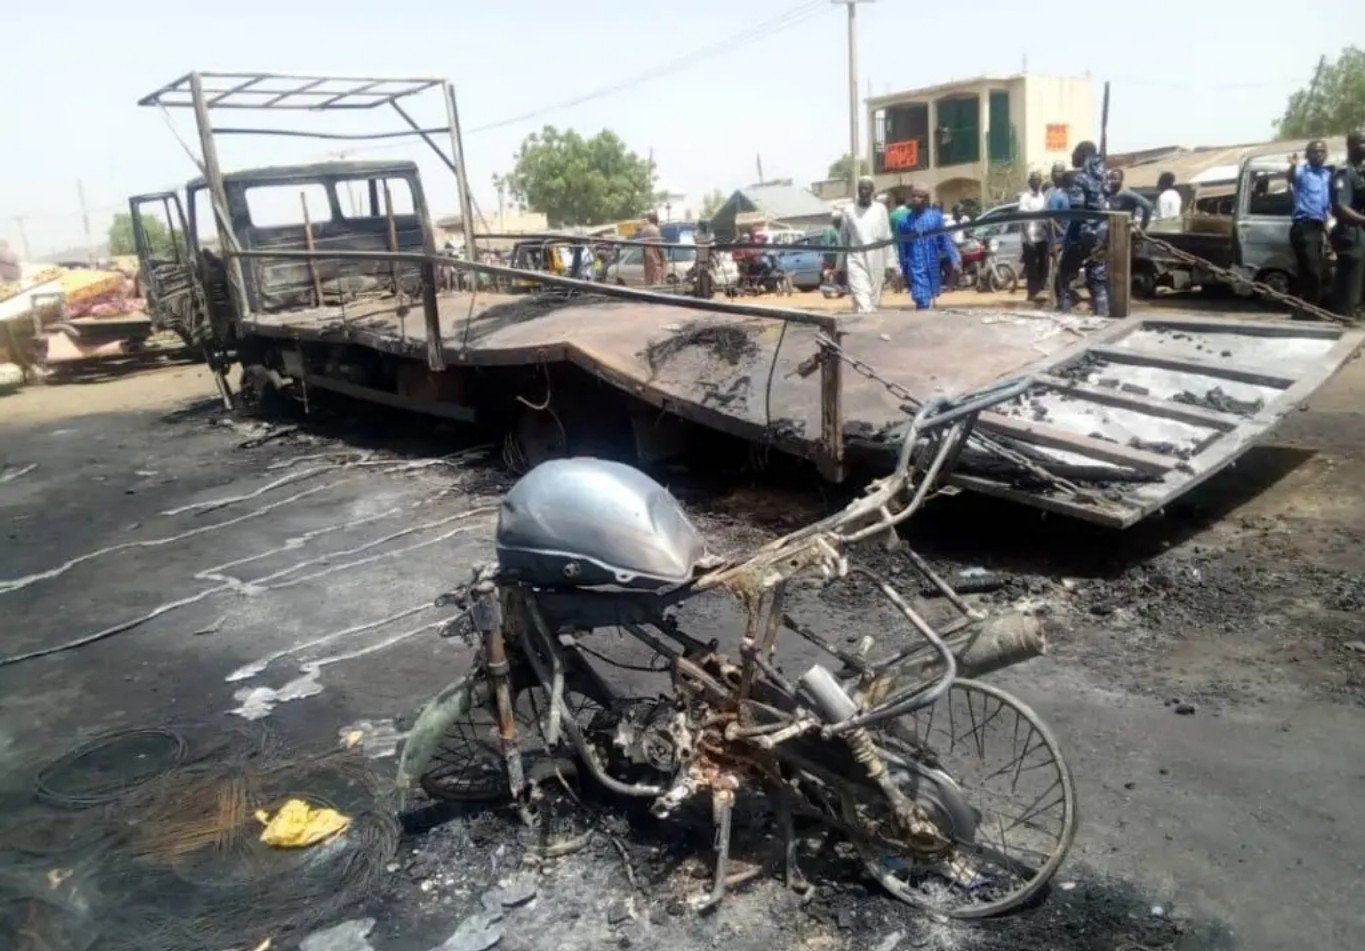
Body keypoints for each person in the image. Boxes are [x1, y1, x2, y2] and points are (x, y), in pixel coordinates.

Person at [1057, 140, 1109, 316]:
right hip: (1101, 235)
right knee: (1097, 280)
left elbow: (1077, 208)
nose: (1072, 156)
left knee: (1064, 278)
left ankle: (1064, 316)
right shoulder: (1102, 179)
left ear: (1082, 154)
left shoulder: (1079, 179)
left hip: (1081, 234)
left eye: (1075, 153)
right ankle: (1102, 320)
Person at [1287, 140, 1334, 311]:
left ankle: (1306, 306)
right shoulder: (1301, 172)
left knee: (1316, 268)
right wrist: (1292, 166)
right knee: (1311, 268)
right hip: (1304, 225)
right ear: (1308, 155)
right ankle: (1311, 306)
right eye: (1315, 152)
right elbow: (1291, 177)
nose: (1319, 155)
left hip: (1319, 226)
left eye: (1322, 151)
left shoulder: (1327, 175)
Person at [896, 187, 959, 310]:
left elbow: (944, 239)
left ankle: (923, 322)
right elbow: (901, 246)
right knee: (921, 296)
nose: (915, 199)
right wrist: (902, 265)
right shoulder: (904, 221)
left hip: (932, 262)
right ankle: (923, 319)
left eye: (919, 196)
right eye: (913, 196)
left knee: (927, 295)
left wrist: (953, 259)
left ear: (925, 199)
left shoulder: (935, 217)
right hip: (915, 263)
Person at [839, 176, 893, 312]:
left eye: (867, 189)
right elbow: (843, 239)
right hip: (855, 259)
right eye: (861, 189)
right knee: (862, 297)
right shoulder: (849, 210)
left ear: (872, 191)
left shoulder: (880, 209)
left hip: (876, 259)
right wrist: (839, 266)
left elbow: (887, 237)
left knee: (872, 301)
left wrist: (890, 264)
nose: (863, 192)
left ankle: (862, 329)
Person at [1329, 130, 1365, 318]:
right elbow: (1341, 208)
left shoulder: (1360, 172)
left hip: (1361, 231)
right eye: (1362, 143)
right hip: (1351, 233)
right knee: (1351, 283)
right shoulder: (1343, 172)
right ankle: (1346, 317)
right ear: (1351, 146)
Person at [1018, 171, 1049, 299]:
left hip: (1042, 237)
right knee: (1032, 268)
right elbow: (1023, 220)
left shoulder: (1043, 197)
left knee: (1044, 265)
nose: (1037, 182)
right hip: (1029, 239)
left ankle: (1040, 291)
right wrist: (1028, 238)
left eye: (1039, 180)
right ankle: (1032, 293)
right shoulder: (1025, 197)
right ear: (1030, 182)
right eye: (1034, 180)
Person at [639, 212, 665, 285]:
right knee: (657, 280)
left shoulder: (643, 230)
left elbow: (643, 248)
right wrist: (663, 258)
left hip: (647, 260)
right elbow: (660, 247)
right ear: (656, 220)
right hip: (656, 260)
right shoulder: (656, 229)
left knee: (649, 281)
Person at [820, 211, 843, 283]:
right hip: (831, 256)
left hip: (840, 255)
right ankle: (829, 277)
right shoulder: (829, 229)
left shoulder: (840, 229)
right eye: (839, 219)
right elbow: (826, 243)